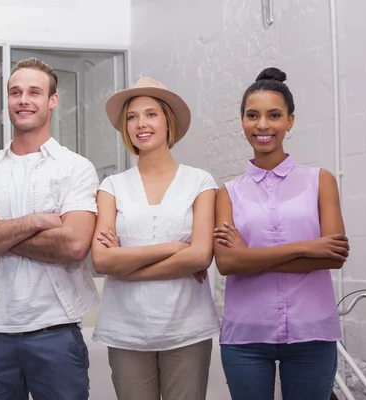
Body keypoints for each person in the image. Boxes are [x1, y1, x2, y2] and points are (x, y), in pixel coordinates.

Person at [0, 57, 99, 400]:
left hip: (56, 331)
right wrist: (36, 222)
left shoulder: (76, 168)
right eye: (15, 92)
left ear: (52, 100)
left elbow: (74, 244)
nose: (23, 100)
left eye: (34, 92)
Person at [213, 67, 349, 400]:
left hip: (312, 332)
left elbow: (333, 255)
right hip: (246, 336)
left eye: (274, 115)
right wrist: (307, 248)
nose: (262, 125)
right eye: (252, 115)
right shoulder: (227, 192)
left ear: (289, 121)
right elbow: (227, 263)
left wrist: (250, 256)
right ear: (242, 121)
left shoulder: (321, 180)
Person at [91, 77, 220, 400]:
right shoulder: (112, 186)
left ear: (167, 121)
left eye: (150, 114)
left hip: (187, 327)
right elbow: (102, 260)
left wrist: (126, 266)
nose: (140, 124)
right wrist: (175, 248)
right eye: (132, 117)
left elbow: (201, 256)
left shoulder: (200, 182)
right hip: (126, 329)